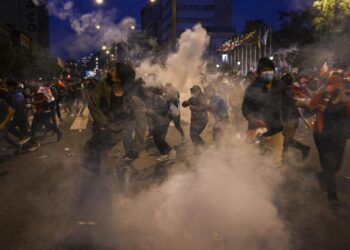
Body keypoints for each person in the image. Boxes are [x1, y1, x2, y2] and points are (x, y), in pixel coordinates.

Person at [87, 62, 147, 174]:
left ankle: (117, 186)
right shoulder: (103, 84)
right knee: (93, 157)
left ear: (120, 78)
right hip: (102, 130)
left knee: (111, 168)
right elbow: (92, 104)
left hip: (120, 134)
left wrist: (136, 149)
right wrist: (103, 123)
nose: (109, 72)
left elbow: (141, 122)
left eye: (113, 70)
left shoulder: (133, 94)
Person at [310, 76, 350, 203]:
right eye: (332, 84)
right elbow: (311, 106)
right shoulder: (321, 96)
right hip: (322, 134)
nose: (335, 87)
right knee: (329, 165)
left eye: (337, 85)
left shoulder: (345, 98)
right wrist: (320, 106)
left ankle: (322, 176)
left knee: (336, 165)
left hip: (339, 136)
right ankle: (332, 196)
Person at [242, 57, 285, 167]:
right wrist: (253, 118)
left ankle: (273, 182)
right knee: (256, 164)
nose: (268, 74)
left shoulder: (278, 85)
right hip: (257, 131)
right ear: (259, 73)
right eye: (265, 71)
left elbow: (287, 102)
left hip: (276, 130)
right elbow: (245, 108)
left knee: (276, 165)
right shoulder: (251, 88)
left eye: (271, 71)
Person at [281, 73, 310, 162]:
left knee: (285, 140)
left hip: (290, 119)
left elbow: (287, 105)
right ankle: (283, 160)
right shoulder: (288, 90)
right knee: (284, 140)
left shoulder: (286, 91)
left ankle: (303, 149)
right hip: (289, 119)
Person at [26, 85, 63, 151]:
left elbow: (46, 100)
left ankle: (59, 132)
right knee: (34, 126)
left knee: (47, 125)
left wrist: (34, 102)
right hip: (39, 111)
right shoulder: (37, 91)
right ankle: (32, 140)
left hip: (45, 111)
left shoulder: (44, 90)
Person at [147, 86, 175, 162]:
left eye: (155, 94)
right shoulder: (151, 99)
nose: (153, 95)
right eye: (153, 94)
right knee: (156, 139)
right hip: (156, 122)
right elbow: (149, 109)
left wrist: (154, 111)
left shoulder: (162, 100)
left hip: (164, 122)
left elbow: (164, 110)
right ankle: (165, 153)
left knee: (159, 139)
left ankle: (169, 151)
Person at [182, 85, 208, 152]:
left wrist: (194, 108)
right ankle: (199, 149)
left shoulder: (202, 97)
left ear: (198, 91)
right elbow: (184, 104)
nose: (193, 92)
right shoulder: (193, 97)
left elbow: (204, 107)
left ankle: (203, 148)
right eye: (192, 91)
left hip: (202, 119)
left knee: (194, 135)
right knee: (192, 135)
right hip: (194, 119)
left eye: (194, 91)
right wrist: (185, 103)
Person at [5, 80, 31, 144]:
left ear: (13, 87)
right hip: (19, 117)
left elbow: (19, 107)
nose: (7, 88)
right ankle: (31, 143)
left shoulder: (18, 94)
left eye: (8, 87)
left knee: (8, 127)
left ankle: (25, 140)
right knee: (25, 133)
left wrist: (12, 115)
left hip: (19, 117)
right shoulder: (12, 94)